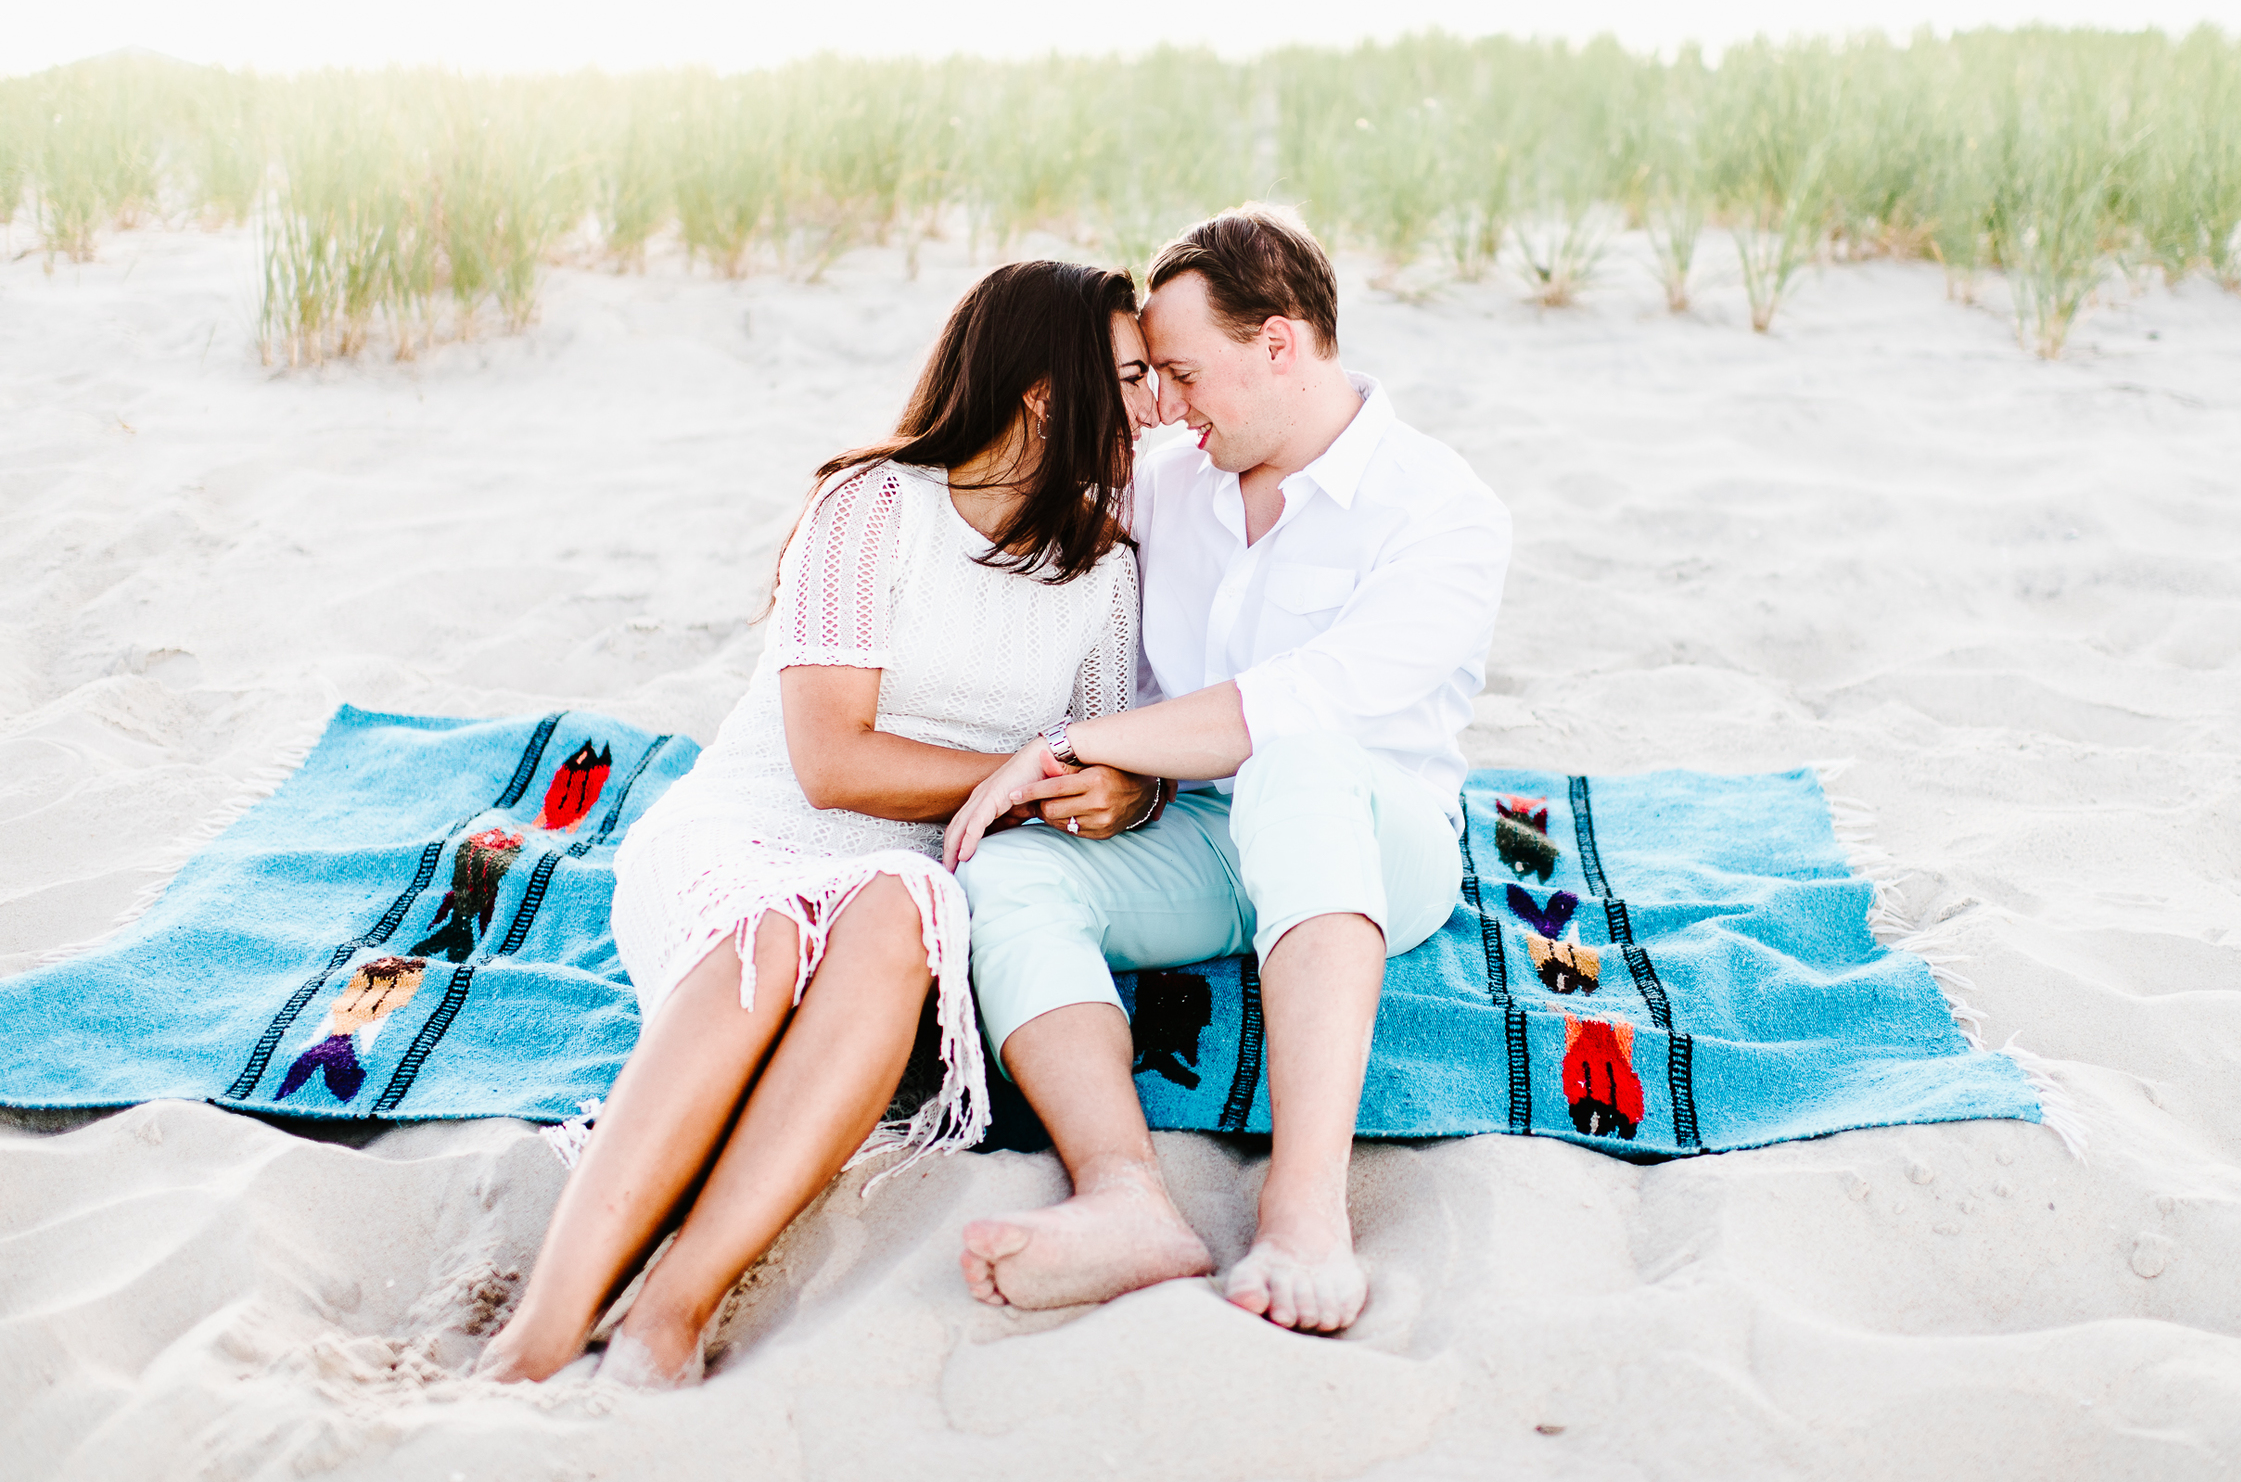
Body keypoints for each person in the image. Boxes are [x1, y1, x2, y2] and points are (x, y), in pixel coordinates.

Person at [481, 260, 1162, 1388]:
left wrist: (1123, 791)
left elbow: (1099, 756)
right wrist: (1015, 777)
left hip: (900, 884)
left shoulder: (1103, 565)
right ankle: (543, 1325)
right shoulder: (873, 507)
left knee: (904, 905)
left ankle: (673, 1302)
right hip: (752, 833)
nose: (1153, 405)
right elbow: (830, 757)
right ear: (1046, 388)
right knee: (775, 934)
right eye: (1130, 375)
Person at [945, 206, 1512, 1335]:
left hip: (1373, 843)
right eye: (1150, 375)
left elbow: (1293, 708)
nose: (1163, 402)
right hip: (1205, 835)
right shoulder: (1166, 482)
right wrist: (1129, 779)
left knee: (1298, 763)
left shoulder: (1443, 511)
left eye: (1183, 372)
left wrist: (1073, 749)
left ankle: (1305, 1212)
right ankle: (1125, 1198)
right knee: (1004, 878)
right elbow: (1026, 550)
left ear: (1281, 342)